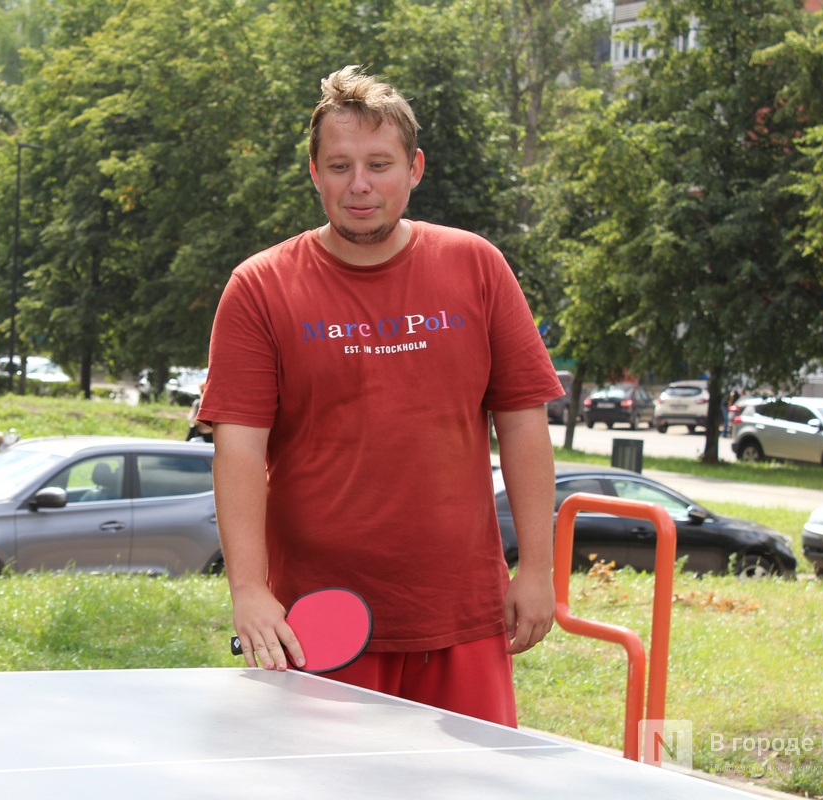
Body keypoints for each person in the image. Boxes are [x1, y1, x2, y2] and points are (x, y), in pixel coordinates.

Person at [197, 66, 563, 728]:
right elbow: (239, 448)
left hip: (461, 616)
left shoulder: (477, 266)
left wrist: (537, 568)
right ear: (314, 172)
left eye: (378, 164)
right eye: (339, 166)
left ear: (414, 168)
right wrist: (250, 591)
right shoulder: (259, 286)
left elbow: (523, 423)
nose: (359, 185)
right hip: (319, 623)